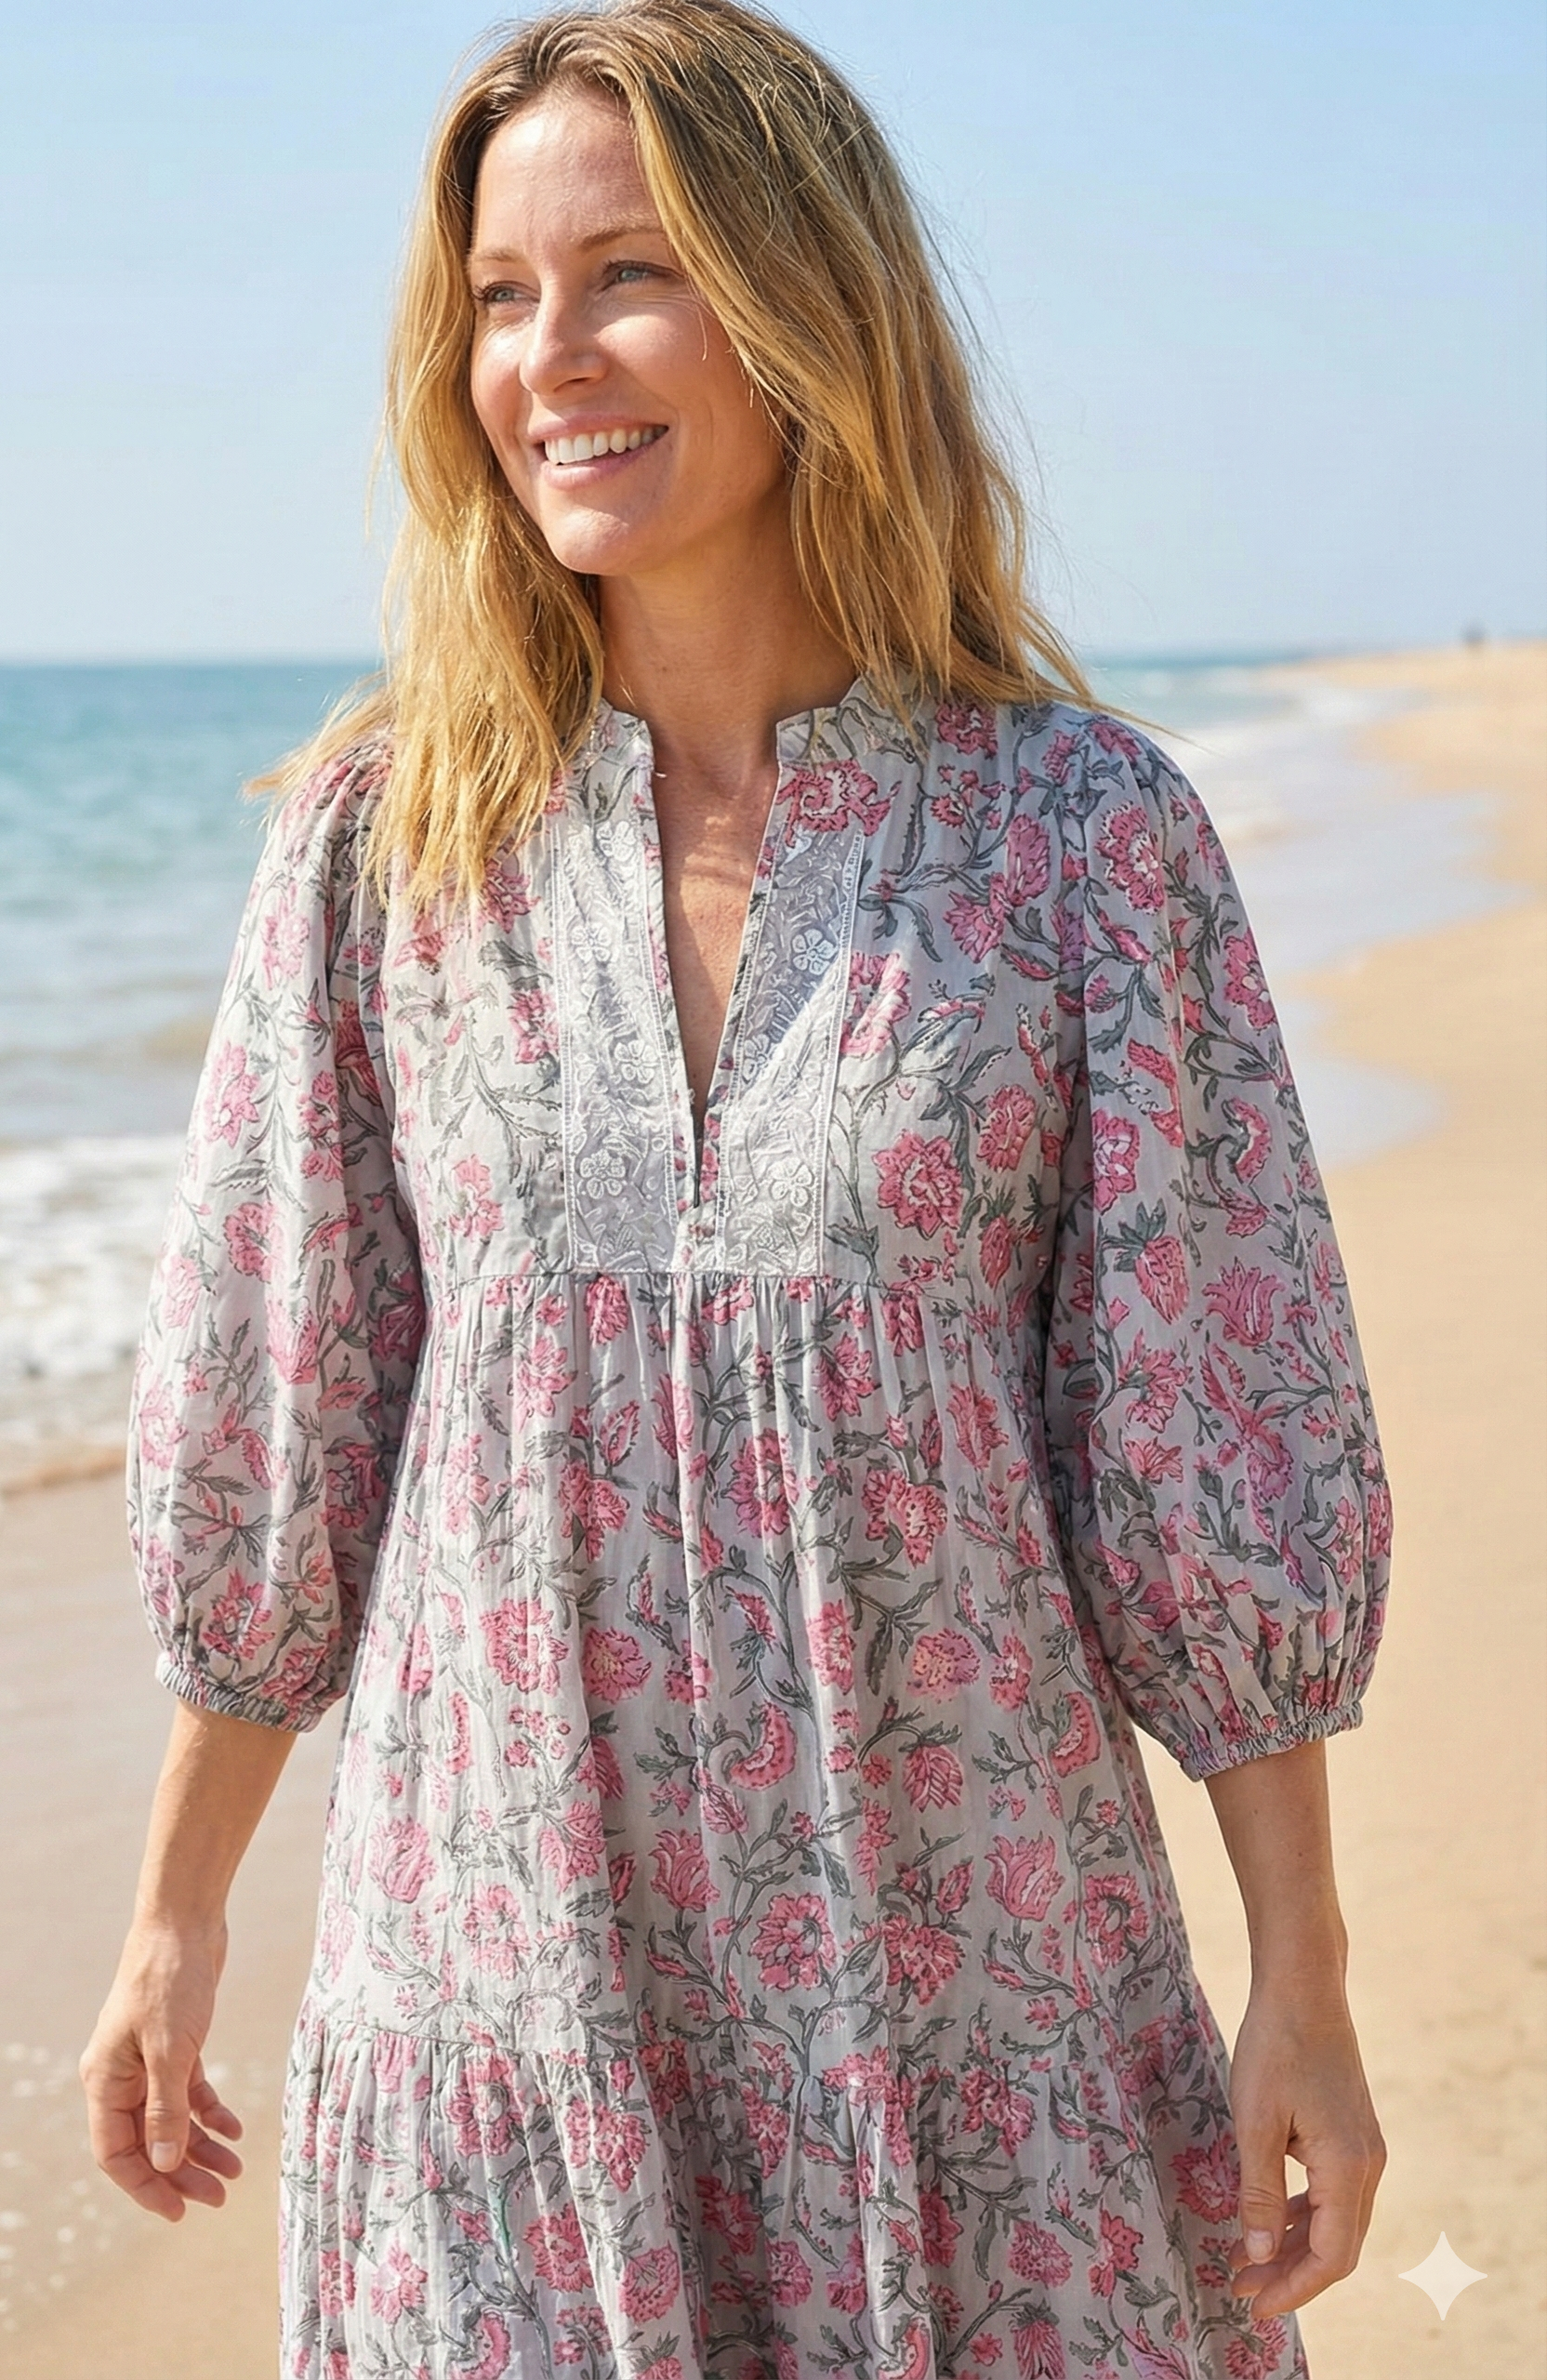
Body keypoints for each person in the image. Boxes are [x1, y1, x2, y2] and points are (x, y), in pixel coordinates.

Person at [80, 4, 1391, 2373]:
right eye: (500, 296)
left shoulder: (1082, 837)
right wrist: (176, 1915)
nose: (550, 355)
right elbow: (288, 1418)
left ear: (807, 304)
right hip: (506, 1998)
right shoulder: (383, 849)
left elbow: (1205, 1438)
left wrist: (1298, 1961)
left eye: (630, 273)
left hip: (971, 1997)